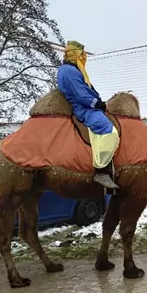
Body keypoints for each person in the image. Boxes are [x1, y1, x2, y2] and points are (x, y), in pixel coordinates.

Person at [57, 40, 120, 189]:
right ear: (76, 55)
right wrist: (96, 103)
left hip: (87, 106)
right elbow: (81, 95)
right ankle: (101, 170)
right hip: (84, 109)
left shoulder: (72, 69)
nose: (84, 58)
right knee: (110, 132)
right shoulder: (69, 71)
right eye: (82, 55)